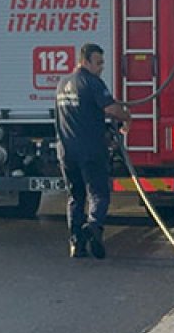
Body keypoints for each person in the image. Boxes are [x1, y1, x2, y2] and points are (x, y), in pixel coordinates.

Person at [55, 43, 130, 259]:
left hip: (66, 152)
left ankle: (76, 244)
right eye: (98, 63)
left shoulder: (62, 84)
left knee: (75, 196)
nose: (101, 67)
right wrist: (127, 116)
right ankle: (94, 226)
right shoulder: (92, 82)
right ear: (85, 61)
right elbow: (110, 109)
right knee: (99, 193)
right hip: (90, 150)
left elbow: (76, 117)